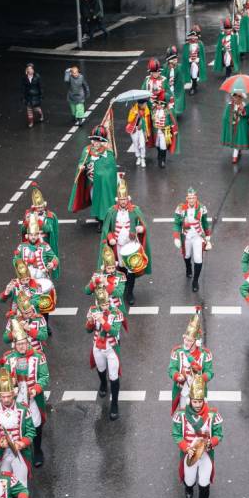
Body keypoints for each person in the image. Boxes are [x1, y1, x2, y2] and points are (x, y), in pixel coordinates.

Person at [172, 373, 223, 498]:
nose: (198, 404)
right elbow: (177, 435)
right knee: (189, 480)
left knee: (204, 483)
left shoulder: (213, 415)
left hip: (205, 454)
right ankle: (188, 487)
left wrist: (210, 443)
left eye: (200, 401)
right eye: (195, 401)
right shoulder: (181, 415)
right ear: (190, 401)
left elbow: (218, 434)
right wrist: (186, 448)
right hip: (190, 453)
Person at [0, 320, 49, 467]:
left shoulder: (39, 356)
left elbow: (44, 377)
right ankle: (22, 449)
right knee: (17, 424)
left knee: (36, 422)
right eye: (18, 344)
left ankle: (38, 450)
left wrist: (36, 390)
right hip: (16, 396)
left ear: (28, 342)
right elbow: (4, 377)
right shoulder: (8, 358)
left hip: (32, 396)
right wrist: (11, 381)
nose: (21, 347)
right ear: (15, 344)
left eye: (24, 343)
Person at [99, 177, 152, 305]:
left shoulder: (135, 210)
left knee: (131, 269)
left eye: (125, 199)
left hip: (131, 245)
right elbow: (107, 229)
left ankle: (129, 292)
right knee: (119, 268)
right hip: (117, 245)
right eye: (121, 199)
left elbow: (143, 224)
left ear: (128, 198)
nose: (123, 201)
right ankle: (120, 290)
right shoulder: (112, 212)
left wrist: (140, 228)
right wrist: (111, 238)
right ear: (118, 199)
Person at [0, 368, 38, 478]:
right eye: (3, 397)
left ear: (14, 394)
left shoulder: (24, 410)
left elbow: (31, 432)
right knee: (4, 482)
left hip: (20, 453)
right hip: (1, 454)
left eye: (9, 396)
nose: (6, 400)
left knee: (21, 483)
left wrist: (22, 443)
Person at [69, 126, 119, 230]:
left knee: (104, 201)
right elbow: (82, 162)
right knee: (95, 200)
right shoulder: (87, 151)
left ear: (102, 141)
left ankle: (102, 221)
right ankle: (98, 218)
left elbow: (109, 171)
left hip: (103, 184)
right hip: (91, 183)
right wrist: (81, 167)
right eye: (94, 140)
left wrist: (101, 175)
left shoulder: (108, 154)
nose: (96, 143)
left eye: (98, 141)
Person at [86, 285, 124, 421]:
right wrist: (90, 322)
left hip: (111, 347)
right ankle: (103, 383)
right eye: (103, 304)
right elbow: (88, 330)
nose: (106, 306)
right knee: (101, 368)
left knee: (114, 376)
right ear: (97, 303)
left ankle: (114, 404)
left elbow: (114, 331)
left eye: (107, 303)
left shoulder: (117, 313)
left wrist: (103, 320)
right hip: (98, 346)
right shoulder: (92, 310)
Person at [168, 311, 214, 415]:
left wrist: (201, 378)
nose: (186, 342)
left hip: (199, 394)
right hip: (183, 391)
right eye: (185, 339)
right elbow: (171, 369)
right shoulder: (177, 352)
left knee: (199, 417)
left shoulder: (205, 354)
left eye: (189, 340)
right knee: (184, 415)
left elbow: (210, 372)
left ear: (196, 341)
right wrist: (177, 376)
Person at [173, 187, 211, 293]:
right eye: (189, 198)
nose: (191, 200)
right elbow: (176, 223)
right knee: (187, 255)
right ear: (187, 198)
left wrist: (207, 236)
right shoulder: (180, 208)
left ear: (196, 198)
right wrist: (176, 238)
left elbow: (205, 222)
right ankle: (188, 267)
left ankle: (195, 281)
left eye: (193, 198)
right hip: (186, 236)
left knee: (198, 258)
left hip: (198, 236)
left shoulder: (202, 208)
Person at [22, 185, 60, 254]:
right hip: (32, 243)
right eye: (38, 208)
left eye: (41, 207)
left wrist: (39, 221)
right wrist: (26, 222)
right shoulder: (29, 214)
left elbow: (48, 229)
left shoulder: (50, 216)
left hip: (45, 243)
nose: (40, 209)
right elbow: (23, 230)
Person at [150, 90, 179, 168]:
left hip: (165, 131)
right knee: (157, 144)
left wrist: (174, 130)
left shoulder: (168, 111)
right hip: (156, 131)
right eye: (157, 104)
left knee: (163, 145)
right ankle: (159, 154)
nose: (158, 105)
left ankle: (162, 160)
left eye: (161, 104)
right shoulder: (154, 110)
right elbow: (152, 119)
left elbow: (173, 121)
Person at [221, 91, 249, 165]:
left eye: (239, 97)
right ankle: (236, 152)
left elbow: (246, 115)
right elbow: (226, 116)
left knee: (238, 139)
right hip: (233, 125)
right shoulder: (230, 105)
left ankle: (235, 155)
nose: (236, 99)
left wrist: (242, 111)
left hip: (240, 126)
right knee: (235, 140)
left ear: (241, 98)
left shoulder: (243, 105)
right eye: (235, 97)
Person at [126, 97, 151, 168]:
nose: (146, 105)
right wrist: (134, 114)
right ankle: (138, 157)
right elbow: (129, 120)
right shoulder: (133, 110)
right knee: (136, 144)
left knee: (142, 145)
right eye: (145, 104)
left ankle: (143, 158)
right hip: (134, 130)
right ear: (140, 104)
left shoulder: (146, 110)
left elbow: (147, 120)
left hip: (142, 130)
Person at [181, 27, 207, 95]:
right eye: (192, 36)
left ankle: (194, 87)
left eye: (195, 36)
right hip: (189, 62)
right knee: (190, 73)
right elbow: (184, 56)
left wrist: (198, 60)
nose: (193, 37)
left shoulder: (200, 44)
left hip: (196, 62)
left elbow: (202, 55)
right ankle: (194, 84)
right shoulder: (186, 45)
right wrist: (189, 59)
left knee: (194, 73)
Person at [22, 63, 45, 127]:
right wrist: (23, 97)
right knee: (29, 110)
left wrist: (41, 96)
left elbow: (40, 87)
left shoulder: (37, 77)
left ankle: (40, 115)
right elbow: (24, 87)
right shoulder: (25, 78)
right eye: (29, 69)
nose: (30, 70)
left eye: (31, 69)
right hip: (28, 96)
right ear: (27, 70)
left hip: (35, 96)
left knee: (36, 109)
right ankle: (31, 122)